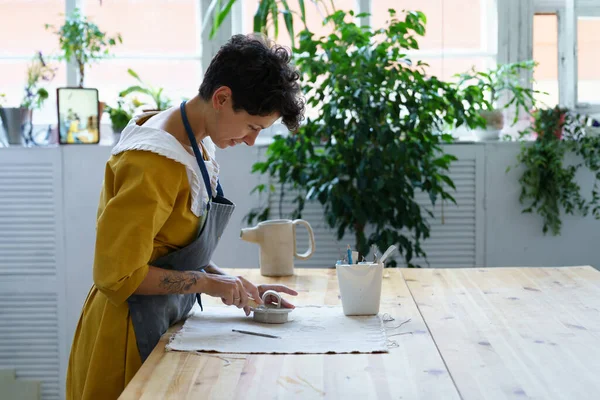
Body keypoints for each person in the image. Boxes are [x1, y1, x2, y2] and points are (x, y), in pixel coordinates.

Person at [66, 34, 305, 400]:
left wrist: (237, 286)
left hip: (159, 320)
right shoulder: (154, 163)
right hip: (126, 336)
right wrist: (210, 286)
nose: (250, 140)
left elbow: (170, 247)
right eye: (253, 127)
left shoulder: (196, 137)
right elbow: (118, 277)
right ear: (222, 98)